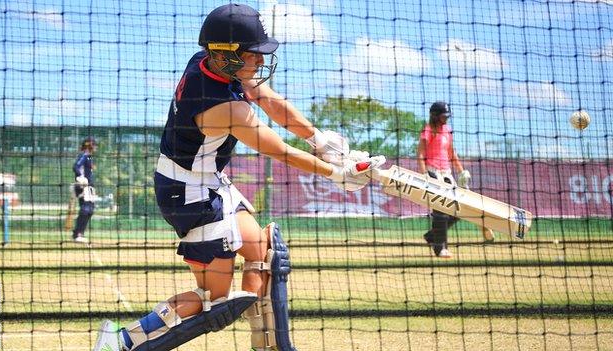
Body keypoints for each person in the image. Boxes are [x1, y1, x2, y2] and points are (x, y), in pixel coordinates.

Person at [92, 4, 383, 351]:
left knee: (262, 251)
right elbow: (280, 151)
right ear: (225, 55)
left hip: (205, 180)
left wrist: (319, 139)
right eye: (253, 54)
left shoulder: (205, 61)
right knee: (213, 303)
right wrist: (337, 173)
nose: (260, 61)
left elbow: (269, 99)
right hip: (188, 195)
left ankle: (265, 342)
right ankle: (120, 343)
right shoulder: (226, 109)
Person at [417, 101, 494, 258]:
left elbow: (452, 154)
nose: (446, 119)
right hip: (432, 172)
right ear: (435, 116)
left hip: (447, 173)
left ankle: (432, 236)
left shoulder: (447, 131)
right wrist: (424, 174)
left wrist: (461, 171)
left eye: (447, 116)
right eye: (443, 116)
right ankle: (440, 248)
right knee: (440, 211)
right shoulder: (428, 130)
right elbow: (420, 154)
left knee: (459, 210)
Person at [71, 136, 97, 243]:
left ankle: (79, 232)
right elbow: (76, 166)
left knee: (89, 210)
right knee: (85, 209)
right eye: (94, 145)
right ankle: (78, 234)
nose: (95, 147)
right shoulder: (84, 155)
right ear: (90, 145)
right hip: (83, 186)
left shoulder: (89, 157)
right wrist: (80, 177)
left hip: (89, 187)